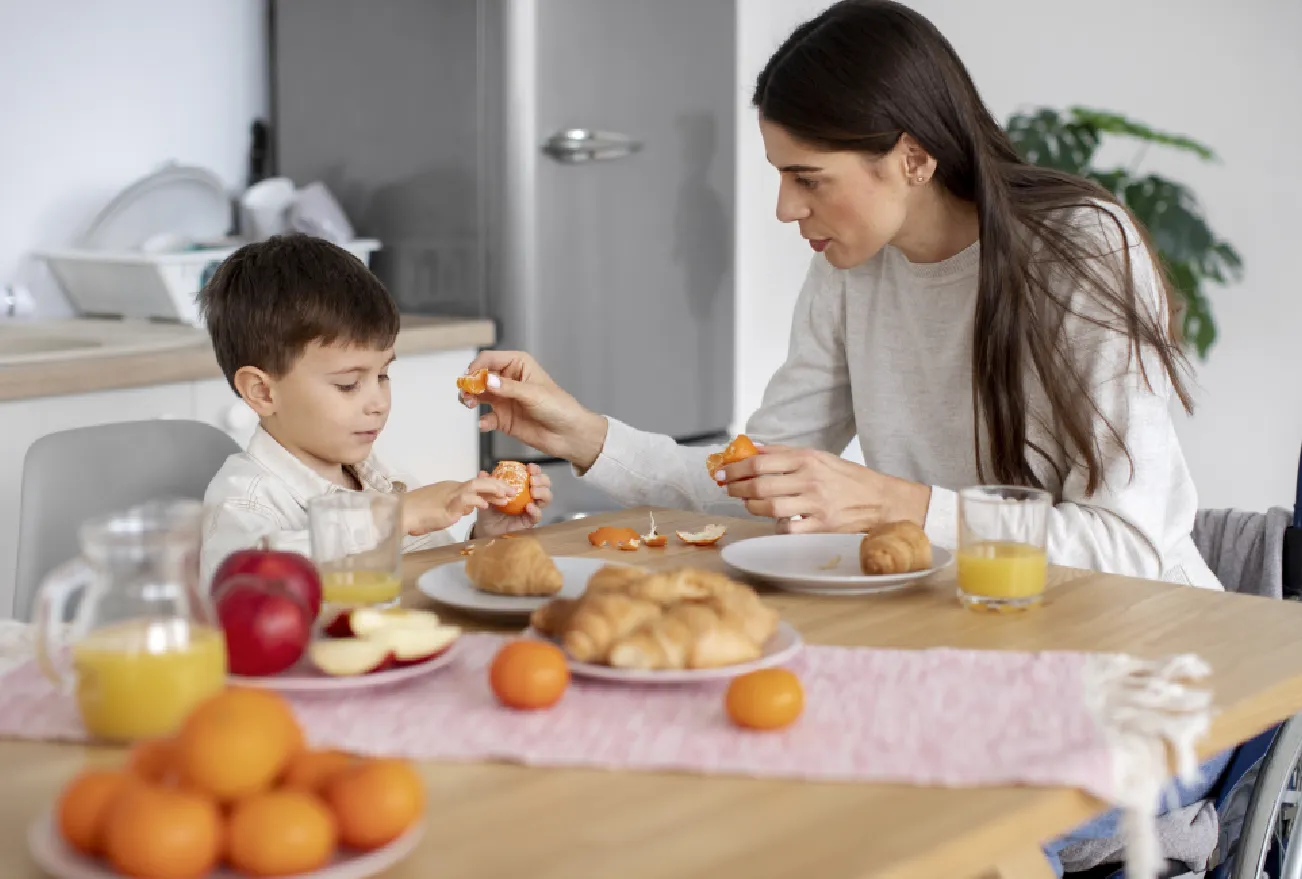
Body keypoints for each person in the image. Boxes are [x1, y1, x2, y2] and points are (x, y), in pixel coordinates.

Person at [458, 0, 1227, 872]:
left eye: (808, 177)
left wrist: (895, 504)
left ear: (912, 155)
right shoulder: (850, 272)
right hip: (979, 661)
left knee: (911, 824)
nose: (786, 208)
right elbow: (756, 479)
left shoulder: (1079, 249)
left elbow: (1124, 547)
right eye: (780, 176)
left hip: (1152, 682)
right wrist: (587, 433)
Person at [198, 234, 550, 586]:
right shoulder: (246, 501)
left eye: (382, 375)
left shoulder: (380, 477)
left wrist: (485, 537)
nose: (379, 402)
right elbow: (247, 580)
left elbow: (427, 582)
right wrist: (394, 518)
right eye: (348, 384)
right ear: (262, 391)